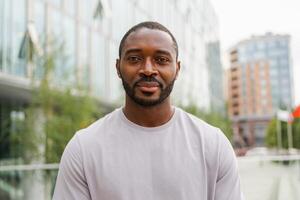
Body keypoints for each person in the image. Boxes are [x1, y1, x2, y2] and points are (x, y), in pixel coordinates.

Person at [53, 21, 243, 200]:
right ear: (118, 67)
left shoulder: (213, 145)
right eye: (135, 59)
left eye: (161, 59)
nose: (148, 69)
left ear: (177, 69)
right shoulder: (84, 148)